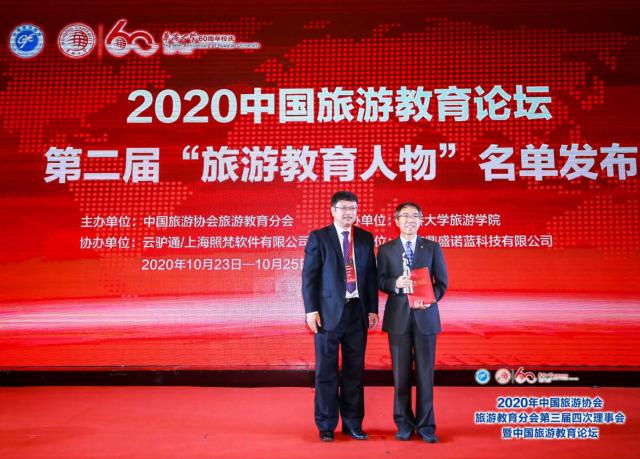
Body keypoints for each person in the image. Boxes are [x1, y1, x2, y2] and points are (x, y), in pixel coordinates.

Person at [302, 191, 379, 442]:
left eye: (353, 208)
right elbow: (309, 277)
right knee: (326, 371)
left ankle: (352, 424)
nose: (349, 213)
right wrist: (311, 310)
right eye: (344, 208)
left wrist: (373, 309)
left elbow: (371, 277)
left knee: (354, 372)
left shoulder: (365, 238)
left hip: (357, 312)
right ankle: (326, 425)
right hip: (327, 314)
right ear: (333, 210)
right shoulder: (319, 237)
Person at [377, 202, 448, 443]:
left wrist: (431, 298)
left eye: (415, 216)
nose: (410, 220)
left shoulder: (432, 247)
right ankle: (404, 424)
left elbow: (442, 283)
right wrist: (394, 284)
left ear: (421, 220)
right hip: (398, 319)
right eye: (405, 216)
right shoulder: (386, 250)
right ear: (396, 221)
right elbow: (380, 281)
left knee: (425, 375)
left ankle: (426, 426)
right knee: (401, 375)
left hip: (426, 318)